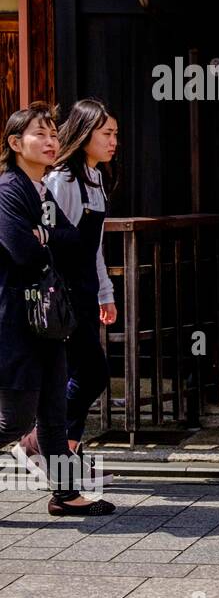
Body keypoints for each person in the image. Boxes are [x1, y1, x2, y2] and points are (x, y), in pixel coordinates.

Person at [0, 104, 114, 516]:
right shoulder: (8, 190)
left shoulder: (41, 191)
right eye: (40, 135)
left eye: (53, 134)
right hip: (16, 317)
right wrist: (48, 237)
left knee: (53, 410)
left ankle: (65, 495)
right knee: (13, 421)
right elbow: (24, 251)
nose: (51, 142)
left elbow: (76, 243)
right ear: (16, 144)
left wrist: (45, 233)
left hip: (47, 315)